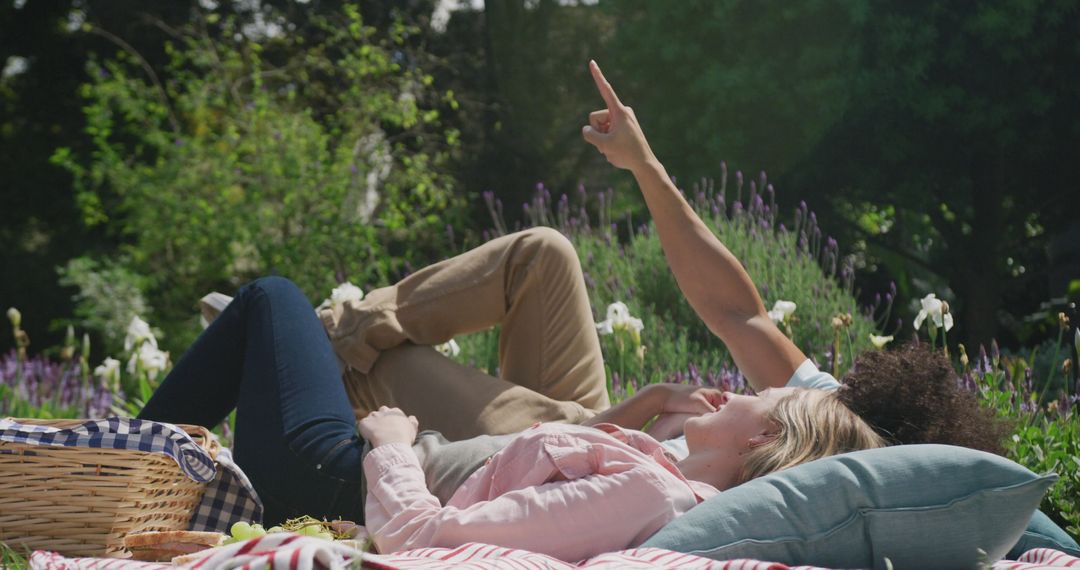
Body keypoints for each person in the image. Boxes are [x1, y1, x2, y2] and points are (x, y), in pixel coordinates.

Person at [134, 61, 881, 560]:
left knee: (273, 302)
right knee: (542, 253)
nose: (744, 386)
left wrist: (394, 447)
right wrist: (649, 404)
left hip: (353, 477)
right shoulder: (676, 475)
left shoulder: (665, 488)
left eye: (763, 398)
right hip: (463, 459)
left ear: (767, 444)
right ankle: (327, 341)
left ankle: (125, 453)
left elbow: (423, 537)